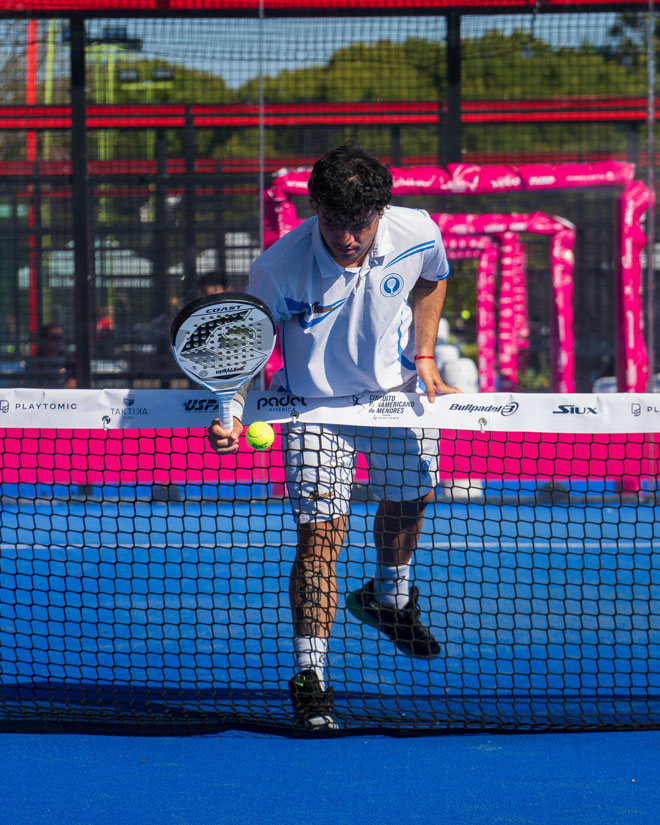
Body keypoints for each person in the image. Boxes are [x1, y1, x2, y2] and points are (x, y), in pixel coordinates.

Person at [207, 143, 460, 730]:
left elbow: (434, 278)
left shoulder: (418, 231)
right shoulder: (277, 268)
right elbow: (247, 347)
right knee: (321, 537)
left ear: (381, 210)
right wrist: (230, 411)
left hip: (395, 398)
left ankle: (388, 598)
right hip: (312, 408)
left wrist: (425, 355)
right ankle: (310, 677)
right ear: (315, 208)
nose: (347, 238)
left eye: (360, 224)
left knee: (414, 498)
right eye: (334, 223)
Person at [24, 323, 77, 388]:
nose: (57, 341)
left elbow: (74, 383)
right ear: (44, 340)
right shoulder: (34, 363)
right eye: (53, 337)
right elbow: (32, 387)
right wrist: (63, 387)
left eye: (59, 338)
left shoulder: (68, 363)